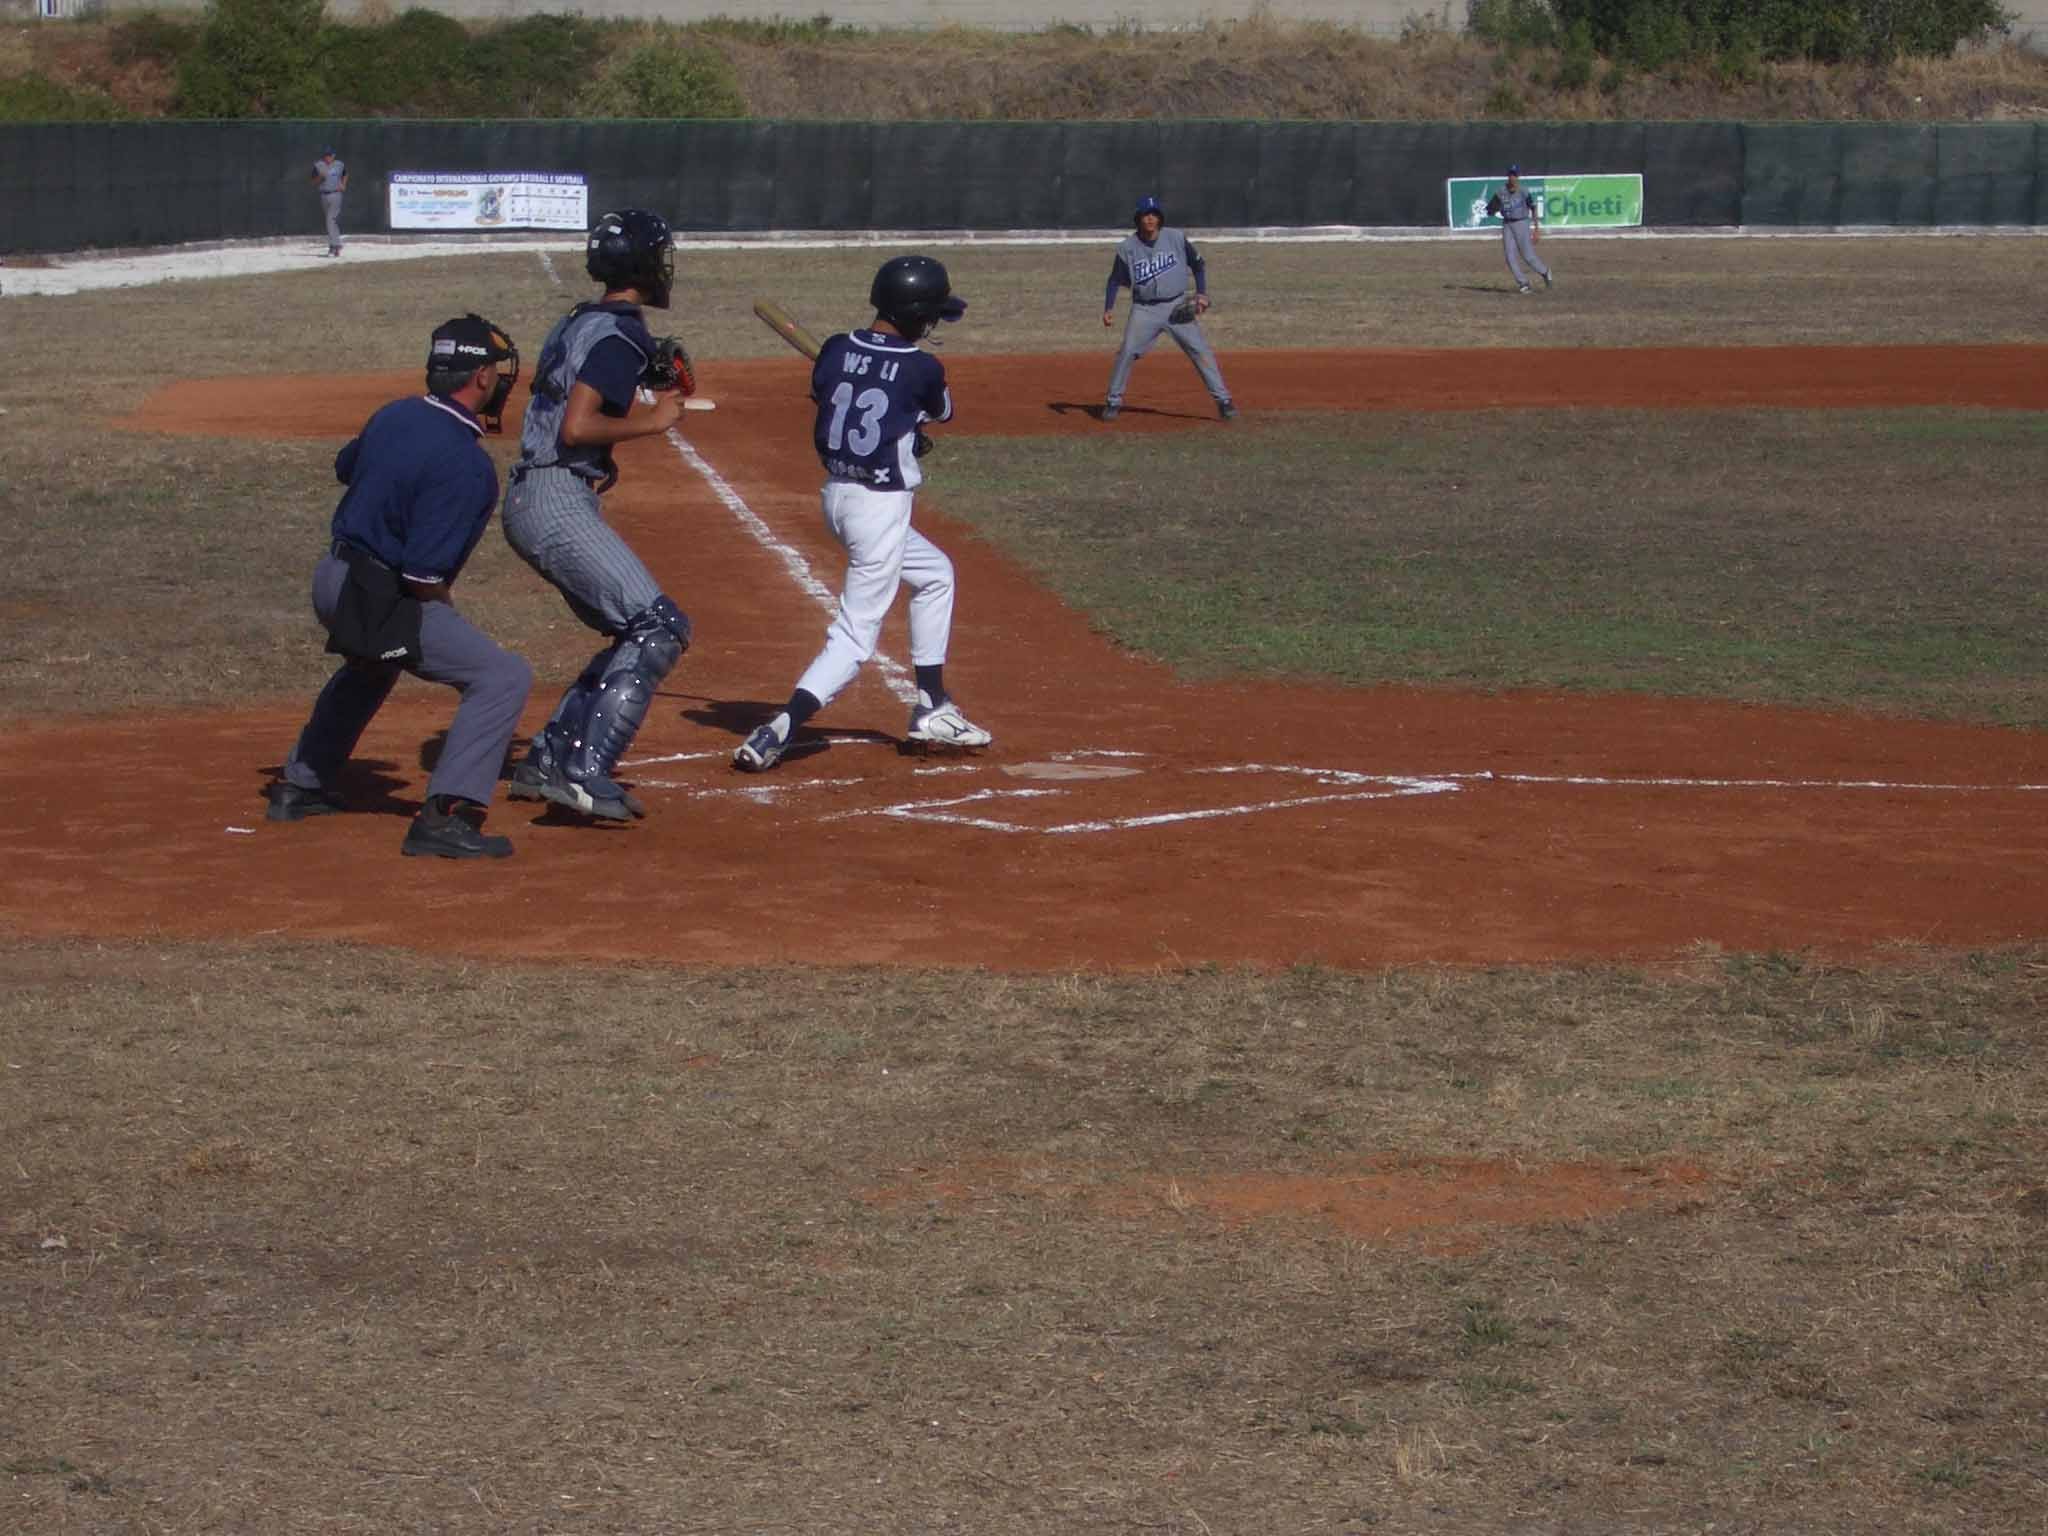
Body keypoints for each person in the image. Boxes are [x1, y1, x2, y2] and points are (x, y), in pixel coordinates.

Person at [266, 314, 533, 860]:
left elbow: (347, 466)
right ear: (480, 377)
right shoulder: (467, 465)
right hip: (374, 595)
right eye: (496, 372)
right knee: (502, 676)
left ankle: (301, 785)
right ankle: (447, 817)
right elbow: (422, 576)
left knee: (374, 663)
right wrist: (445, 611)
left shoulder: (395, 414)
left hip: (331, 578)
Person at [732, 254, 992, 773]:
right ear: (918, 314)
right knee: (855, 637)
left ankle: (932, 704)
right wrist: (911, 435)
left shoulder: (832, 348)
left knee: (936, 574)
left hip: (838, 499)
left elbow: (834, 404)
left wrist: (902, 431)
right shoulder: (923, 366)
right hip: (880, 508)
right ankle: (779, 727)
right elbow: (938, 412)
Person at [502, 208, 694, 823]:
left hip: (539, 495)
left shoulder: (584, 321)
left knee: (632, 629)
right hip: (556, 496)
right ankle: (584, 773)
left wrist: (649, 375)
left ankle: (548, 758)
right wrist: (654, 418)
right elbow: (579, 424)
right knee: (659, 626)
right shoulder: (617, 335)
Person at [1101, 194, 1235, 422]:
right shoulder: (1127, 248)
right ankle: (1113, 401)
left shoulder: (1176, 238)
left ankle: (1223, 401)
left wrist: (1202, 293)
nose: (1150, 219)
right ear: (1138, 219)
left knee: (1200, 351)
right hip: (1145, 309)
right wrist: (1108, 307)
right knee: (1127, 351)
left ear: (1160, 218)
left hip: (1176, 306)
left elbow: (1199, 265)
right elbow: (1114, 280)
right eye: (1145, 215)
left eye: (1154, 215)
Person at [1487, 164, 1553, 294]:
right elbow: (1490, 209)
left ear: (1518, 177)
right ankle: (1523, 283)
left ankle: (1545, 271)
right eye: (1510, 175)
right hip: (1507, 224)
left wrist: (1536, 229)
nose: (1512, 177)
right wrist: (1494, 208)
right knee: (1509, 256)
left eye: (1515, 175)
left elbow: (1533, 208)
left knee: (1527, 255)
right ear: (1508, 176)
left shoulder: (1523, 191)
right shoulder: (1501, 192)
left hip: (1522, 223)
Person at [311, 147, 347, 258]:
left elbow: (345, 174)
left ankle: (333, 246)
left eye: (330, 155)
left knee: (330, 220)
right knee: (332, 221)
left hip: (336, 194)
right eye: (326, 155)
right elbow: (313, 182)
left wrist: (343, 184)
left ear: (334, 155)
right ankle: (337, 246)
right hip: (324, 194)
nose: (328, 157)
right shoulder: (319, 165)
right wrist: (319, 178)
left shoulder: (339, 164)